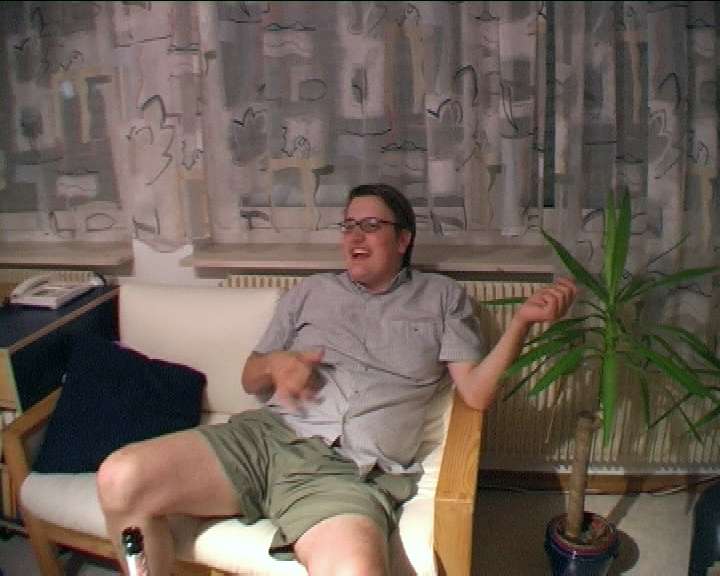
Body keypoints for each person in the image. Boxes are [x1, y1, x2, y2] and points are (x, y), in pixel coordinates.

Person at [97, 183, 577, 576]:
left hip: (349, 471)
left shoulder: (441, 297)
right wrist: (276, 364)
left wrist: (520, 324)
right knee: (122, 477)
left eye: (371, 225)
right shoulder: (311, 291)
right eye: (348, 226)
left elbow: (476, 393)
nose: (354, 237)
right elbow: (249, 377)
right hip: (265, 439)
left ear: (403, 239)